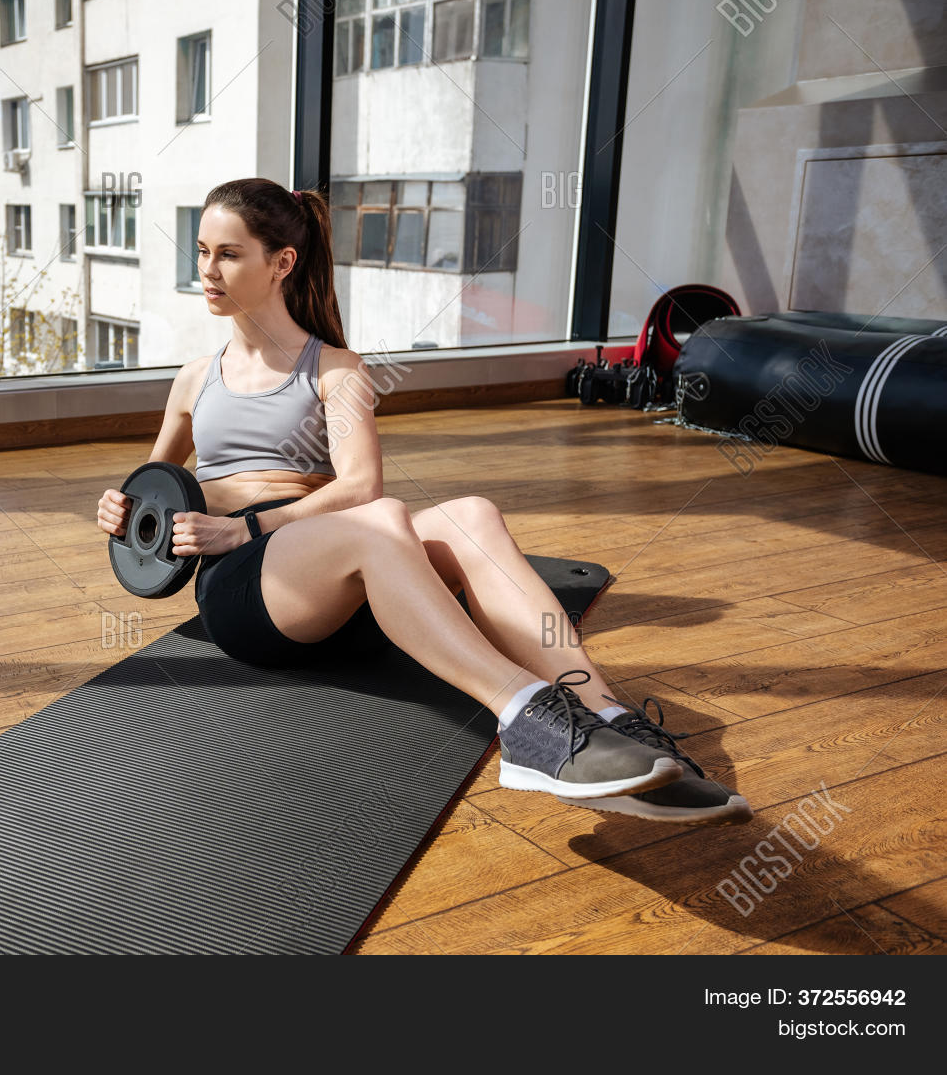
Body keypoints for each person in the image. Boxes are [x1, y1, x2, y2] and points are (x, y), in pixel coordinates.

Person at [95, 177, 749, 826]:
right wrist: (123, 516)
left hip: (341, 580)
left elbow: (358, 487)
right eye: (203, 250)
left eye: (227, 254)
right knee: (379, 524)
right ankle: (527, 721)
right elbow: (154, 486)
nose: (207, 269)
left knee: (473, 516)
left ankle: (608, 718)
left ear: (281, 263)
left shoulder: (336, 371)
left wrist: (259, 524)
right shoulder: (193, 380)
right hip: (249, 595)